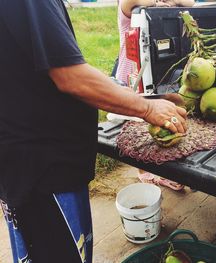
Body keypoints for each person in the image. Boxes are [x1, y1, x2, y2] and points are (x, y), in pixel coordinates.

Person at [0, 1, 186, 262]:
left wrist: (141, 96)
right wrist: (146, 108)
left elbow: (54, 63)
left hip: (26, 162)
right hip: (43, 170)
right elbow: (70, 76)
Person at [116, 0, 195, 190]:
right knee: (137, 129)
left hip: (159, 73)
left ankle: (162, 166)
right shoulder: (126, 5)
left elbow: (190, 2)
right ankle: (145, 173)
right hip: (133, 77)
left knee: (160, 124)